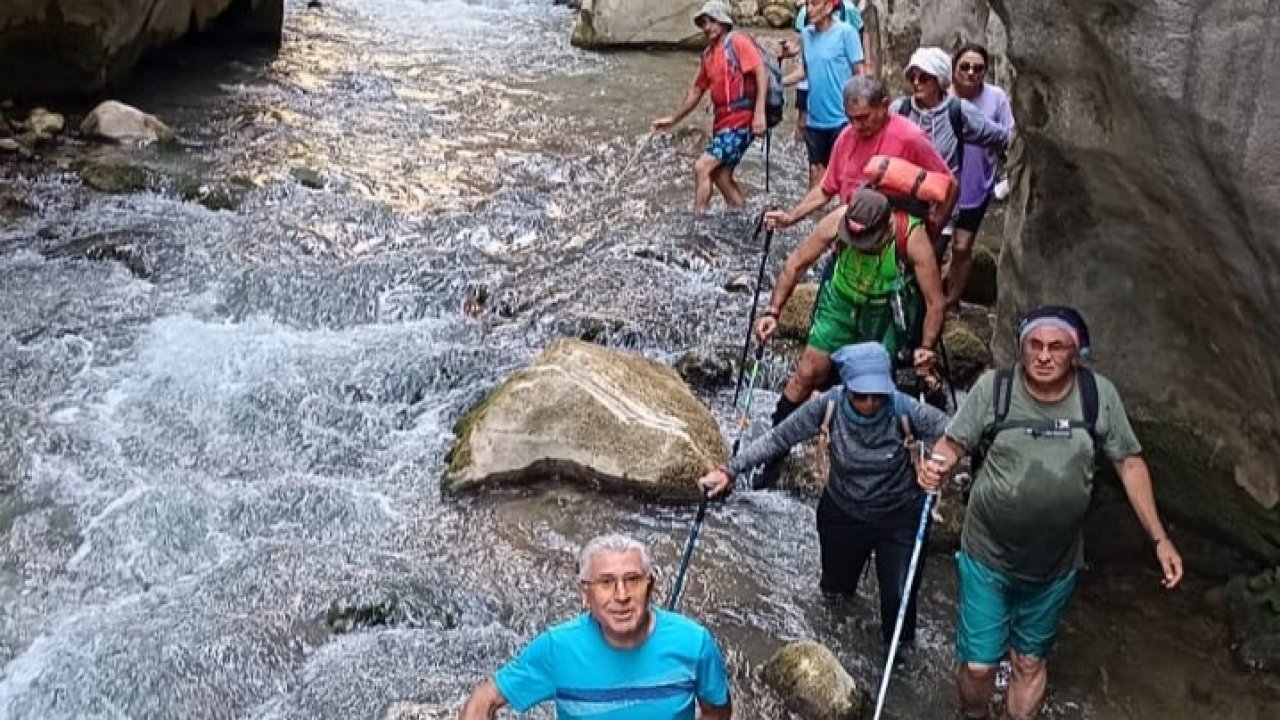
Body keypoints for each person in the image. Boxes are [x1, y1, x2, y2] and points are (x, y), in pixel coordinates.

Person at [917, 306, 1185, 720]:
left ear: (1075, 353)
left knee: (1029, 662)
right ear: (1021, 349)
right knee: (978, 665)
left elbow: (1129, 463)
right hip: (988, 552)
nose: (1043, 356)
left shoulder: (1098, 396)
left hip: (1055, 564)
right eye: (1034, 346)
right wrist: (934, 469)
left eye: (1055, 347)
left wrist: (1160, 539)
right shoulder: (995, 389)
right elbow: (952, 446)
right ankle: (972, 714)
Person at [698, 342, 948, 649]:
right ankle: (837, 651)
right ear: (846, 388)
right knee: (835, 595)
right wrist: (730, 470)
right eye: (860, 395)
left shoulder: (904, 409)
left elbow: (950, 433)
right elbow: (779, 438)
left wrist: (936, 464)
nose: (870, 402)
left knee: (899, 604)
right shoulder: (828, 406)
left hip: (899, 517)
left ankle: (900, 669)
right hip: (842, 514)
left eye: (878, 395)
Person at [753, 189, 945, 488]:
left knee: (875, 387)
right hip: (839, 303)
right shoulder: (838, 220)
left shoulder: (912, 237)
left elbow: (935, 301)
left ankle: (872, 463)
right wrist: (772, 312)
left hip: (883, 311)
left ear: (885, 228)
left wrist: (926, 347)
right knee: (806, 374)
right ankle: (775, 451)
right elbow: (796, 264)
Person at [459, 533, 733, 720]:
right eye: (606, 582)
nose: (622, 595)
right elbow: (485, 700)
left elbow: (717, 712)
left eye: (633, 579)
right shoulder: (558, 648)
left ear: (651, 587)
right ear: (585, 593)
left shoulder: (693, 643)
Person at [764, 76, 955, 241]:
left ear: (884, 106)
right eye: (851, 118)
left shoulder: (911, 138)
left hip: (894, 239)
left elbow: (950, 185)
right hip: (852, 234)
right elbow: (825, 189)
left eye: (864, 117)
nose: (857, 126)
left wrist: (932, 231)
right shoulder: (845, 138)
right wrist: (791, 217)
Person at [890, 46, 1009, 260]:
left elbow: (1000, 137)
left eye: (924, 77)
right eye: (912, 76)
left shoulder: (958, 111)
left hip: (940, 209)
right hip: (903, 204)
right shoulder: (900, 109)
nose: (916, 82)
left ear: (939, 80)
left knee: (927, 262)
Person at [652, 1, 769, 214]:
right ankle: (741, 215)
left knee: (702, 166)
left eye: (712, 21)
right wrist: (673, 119)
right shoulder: (708, 55)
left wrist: (759, 113)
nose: (707, 27)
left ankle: (699, 221)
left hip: (742, 121)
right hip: (723, 124)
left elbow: (761, 71)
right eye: (704, 22)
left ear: (724, 22)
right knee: (720, 175)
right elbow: (696, 91)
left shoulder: (738, 42)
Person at [946, 42, 1014, 310]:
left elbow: (1010, 135)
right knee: (934, 246)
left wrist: (1006, 182)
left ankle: (952, 300)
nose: (971, 73)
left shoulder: (996, 98)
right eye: (965, 67)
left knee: (962, 248)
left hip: (976, 188)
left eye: (978, 68)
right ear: (953, 70)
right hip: (941, 189)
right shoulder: (942, 96)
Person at [781, 0, 865, 191]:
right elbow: (805, 71)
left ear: (828, 7)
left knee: (844, 180)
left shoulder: (847, 33)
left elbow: (859, 71)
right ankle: (815, 220)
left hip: (842, 119)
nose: (809, 9)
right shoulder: (806, 35)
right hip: (815, 121)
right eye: (808, 4)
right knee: (816, 181)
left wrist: (861, 111)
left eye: (815, 4)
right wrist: (778, 82)